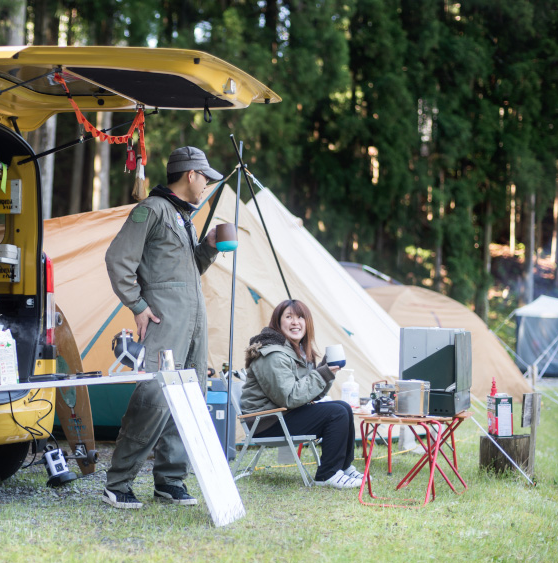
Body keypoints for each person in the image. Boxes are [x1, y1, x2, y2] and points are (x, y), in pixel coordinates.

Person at [102, 146, 222, 509]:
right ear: (191, 175)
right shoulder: (151, 210)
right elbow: (117, 258)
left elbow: (186, 272)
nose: (207, 185)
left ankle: (170, 481)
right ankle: (118, 482)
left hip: (193, 324)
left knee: (190, 397)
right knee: (154, 398)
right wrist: (137, 305)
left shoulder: (184, 217)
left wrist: (210, 247)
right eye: (205, 178)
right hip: (165, 322)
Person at [241, 299, 363, 488]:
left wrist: (325, 372)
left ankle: (344, 467)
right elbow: (289, 397)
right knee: (336, 412)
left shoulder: (295, 351)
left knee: (343, 407)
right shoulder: (273, 354)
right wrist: (322, 374)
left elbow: (310, 395)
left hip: (284, 414)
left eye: (300, 317)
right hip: (267, 421)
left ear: (308, 323)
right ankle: (328, 475)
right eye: (288, 317)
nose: (295, 322)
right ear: (278, 322)